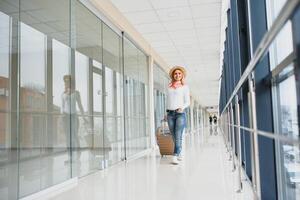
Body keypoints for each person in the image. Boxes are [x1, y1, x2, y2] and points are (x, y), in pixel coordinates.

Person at [166, 66, 190, 164]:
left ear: (182, 75)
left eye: (179, 73)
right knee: (173, 135)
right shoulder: (168, 87)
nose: (177, 75)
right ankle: (179, 152)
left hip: (180, 114)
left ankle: (175, 155)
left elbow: (188, 102)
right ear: (173, 75)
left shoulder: (185, 87)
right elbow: (168, 100)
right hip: (170, 114)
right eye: (175, 73)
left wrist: (182, 107)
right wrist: (166, 112)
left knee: (178, 135)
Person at [61, 75, 86, 156]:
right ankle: (69, 155)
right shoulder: (63, 94)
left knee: (74, 134)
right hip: (65, 116)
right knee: (67, 135)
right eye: (65, 81)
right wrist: (62, 117)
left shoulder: (76, 93)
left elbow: (80, 105)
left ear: (71, 82)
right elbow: (62, 106)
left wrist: (84, 117)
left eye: (68, 81)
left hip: (74, 116)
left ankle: (78, 152)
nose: (66, 82)